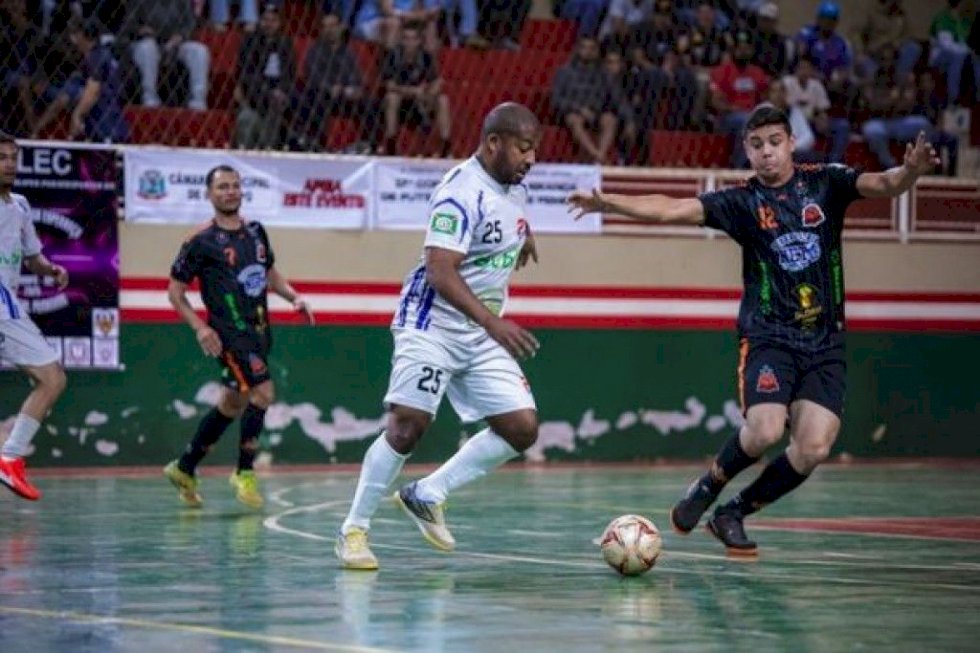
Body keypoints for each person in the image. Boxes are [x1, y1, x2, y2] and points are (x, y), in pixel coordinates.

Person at [566, 104, 939, 556]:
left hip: (825, 342)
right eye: (757, 145)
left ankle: (733, 513)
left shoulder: (827, 182)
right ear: (746, 149)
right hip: (769, 337)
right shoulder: (742, 202)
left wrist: (910, 171)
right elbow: (672, 209)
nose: (767, 153)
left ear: (791, 143)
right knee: (764, 430)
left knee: (814, 447)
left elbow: (885, 184)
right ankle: (708, 485)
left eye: (775, 142)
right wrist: (608, 202)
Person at [336, 102, 542, 570]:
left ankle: (428, 493)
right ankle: (353, 530)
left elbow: (506, 218)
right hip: (431, 323)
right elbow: (439, 270)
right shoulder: (459, 192)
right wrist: (492, 322)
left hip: (477, 333)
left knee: (521, 428)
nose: (531, 159)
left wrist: (526, 235)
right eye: (524, 148)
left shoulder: (513, 184)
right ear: (493, 143)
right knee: (408, 425)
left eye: (534, 150)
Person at [163, 165, 314, 509]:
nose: (230, 191)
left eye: (234, 185)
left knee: (233, 402)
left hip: (260, 330)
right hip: (229, 335)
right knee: (263, 393)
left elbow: (270, 273)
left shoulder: (256, 231)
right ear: (209, 194)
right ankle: (244, 472)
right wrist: (200, 328)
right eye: (222, 187)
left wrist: (295, 298)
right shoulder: (199, 241)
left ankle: (184, 467)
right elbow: (175, 293)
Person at [0, 131, 69, 501]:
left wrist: (50, 269)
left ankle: (9, 457)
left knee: (51, 379)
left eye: (13, 157)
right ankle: (10, 457)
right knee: (52, 377)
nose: (9, 164)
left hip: (8, 299)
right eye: (2, 158)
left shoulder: (21, 206)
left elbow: (32, 257)